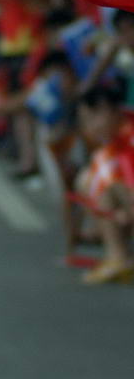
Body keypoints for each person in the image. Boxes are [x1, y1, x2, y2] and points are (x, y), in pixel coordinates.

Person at [75, 85, 134, 284]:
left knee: (101, 184)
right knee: (90, 179)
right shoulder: (117, 137)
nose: (90, 128)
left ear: (106, 109)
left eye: (92, 119)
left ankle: (119, 257)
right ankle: (116, 255)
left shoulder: (129, 137)